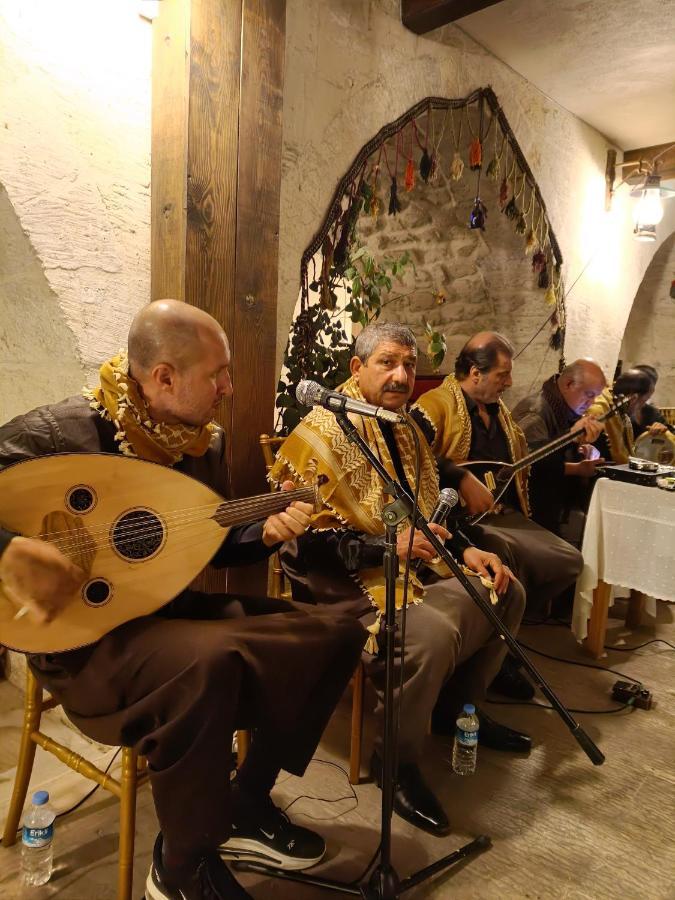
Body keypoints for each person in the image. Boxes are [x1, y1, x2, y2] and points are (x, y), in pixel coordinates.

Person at [0, 300, 367, 900]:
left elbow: (206, 545)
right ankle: (179, 866)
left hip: (166, 618)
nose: (229, 387)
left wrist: (263, 535)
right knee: (210, 662)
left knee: (338, 630)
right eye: (217, 373)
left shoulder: (201, 445)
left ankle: (244, 805)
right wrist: (9, 552)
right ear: (164, 377)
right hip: (86, 648)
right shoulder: (59, 433)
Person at [270, 323, 529, 838]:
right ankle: (397, 763)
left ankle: (459, 708)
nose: (402, 375)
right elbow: (300, 546)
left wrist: (468, 549)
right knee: (428, 636)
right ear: (356, 368)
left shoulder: (407, 428)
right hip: (342, 585)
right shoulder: (316, 435)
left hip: (411, 567)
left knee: (506, 590)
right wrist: (386, 547)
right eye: (387, 362)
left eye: (409, 365)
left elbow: (431, 512)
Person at [411, 332, 583, 629]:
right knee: (502, 554)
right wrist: (459, 475)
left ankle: (511, 613)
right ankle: (501, 627)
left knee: (570, 561)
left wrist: (571, 438)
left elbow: (521, 460)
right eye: (503, 375)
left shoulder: (498, 411)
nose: (510, 383)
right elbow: (409, 453)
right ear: (476, 373)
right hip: (461, 521)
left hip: (502, 513)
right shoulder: (434, 405)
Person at [511, 359, 607, 545]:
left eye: (595, 396)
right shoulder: (536, 411)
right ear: (569, 384)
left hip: (554, 506)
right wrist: (572, 444)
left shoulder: (562, 407)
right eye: (589, 395)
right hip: (529, 513)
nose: (592, 402)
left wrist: (581, 447)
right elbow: (527, 463)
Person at [587, 368, 655, 463]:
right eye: (643, 401)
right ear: (634, 398)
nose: (642, 406)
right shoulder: (598, 411)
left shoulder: (621, 411)